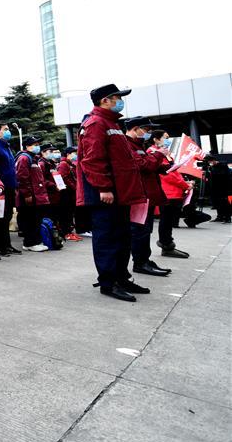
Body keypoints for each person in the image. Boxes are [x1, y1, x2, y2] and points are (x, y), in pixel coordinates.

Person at [76, 83, 149, 302]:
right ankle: (109, 283)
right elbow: (92, 160)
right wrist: (104, 187)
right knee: (108, 238)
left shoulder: (112, 123)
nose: (120, 101)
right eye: (117, 97)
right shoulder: (96, 123)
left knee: (123, 237)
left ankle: (122, 277)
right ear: (104, 100)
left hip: (120, 192)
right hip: (105, 194)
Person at [124, 118, 172, 277]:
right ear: (136, 128)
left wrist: (165, 166)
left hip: (147, 194)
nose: (148, 134)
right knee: (140, 230)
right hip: (139, 195)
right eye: (146, 130)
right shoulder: (127, 144)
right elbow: (143, 165)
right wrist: (158, 155)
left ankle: (145, 260)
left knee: (145, 229)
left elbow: (148, 166)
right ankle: (140, 262)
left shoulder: (138, 145)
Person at [152, 131, 191, 258]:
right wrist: (185, 185)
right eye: (166, 138)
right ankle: (166, 244)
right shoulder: (154, 153)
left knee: (168, 220)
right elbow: (168, 175)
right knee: (166, 220)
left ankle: (167, 244)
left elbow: (174, 172)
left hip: (173, 192)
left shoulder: (165, 154)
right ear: (156, 140)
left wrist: (185, 183)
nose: (168, 140)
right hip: (167, 192)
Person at [0, 124, 22, 255]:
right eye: (5, 129)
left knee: (6, 216)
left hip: (10, 187)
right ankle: (0, 246)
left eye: (8, 129)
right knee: (0, 218)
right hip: (1, 188)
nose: (8, 132)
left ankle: (7, 244)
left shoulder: (6, 146)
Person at [14, 135, 50, 252]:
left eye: (38, 144)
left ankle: (35, 241)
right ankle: (30, 242)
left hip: (37, 195)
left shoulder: (34, 158)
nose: (37, 147)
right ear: (27, 146)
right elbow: (22, 178)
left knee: (35, 220)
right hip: (30, 196)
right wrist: (27, 194)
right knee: (30, 220)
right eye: (35, 145)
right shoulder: (24, 158)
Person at [56, 147, 82, 241]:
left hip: (70, 193)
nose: (75, 155)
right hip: (66, 193)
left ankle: (70, 232)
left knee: (69, 214)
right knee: (66, 214)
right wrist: (74, 187)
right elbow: (64, 178)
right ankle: (66, 233)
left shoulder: (69, 164)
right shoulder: (64, 164)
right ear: (68, 154)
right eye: (74, 153)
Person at [39, 143, 63, 230]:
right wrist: (53, 185)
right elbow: (41, 179)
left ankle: (56, 235)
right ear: (43, 152)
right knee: (49, 216)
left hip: (55, 194)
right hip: (48, 194)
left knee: (55, 215)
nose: (52, 153)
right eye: (50, 151)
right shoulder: (42, 164)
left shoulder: (51, 163)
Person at [204, 154, 231, 223]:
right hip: (214, 188)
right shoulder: (211, 167)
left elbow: (222, 175)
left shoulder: (222, 165)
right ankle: (220, 216)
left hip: (223, 188)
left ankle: (227, 218)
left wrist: (211, 170)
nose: (209, 163)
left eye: (209, 161)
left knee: (224, 203)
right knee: (217, 203)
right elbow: (209, 177)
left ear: (213, 160)